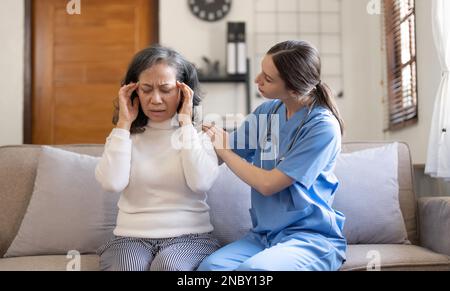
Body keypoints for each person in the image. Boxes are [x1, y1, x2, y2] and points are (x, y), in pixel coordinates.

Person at [199, 40, 347, 271]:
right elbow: (222, 150)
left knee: (254, 272)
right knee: (210, 269)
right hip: (263, 236)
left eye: (268, 79)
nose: (257, 80)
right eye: (261, 72)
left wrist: (224, 151)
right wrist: (189, 129)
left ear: (295, 89)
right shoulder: (267, 112)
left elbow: (268, 184)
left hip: (308, 239)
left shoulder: (323, 127)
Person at [95, 45, 220, 271]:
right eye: (146, 89)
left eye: (165, 89)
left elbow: (201, 183)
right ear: (134, 91)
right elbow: (112, 183)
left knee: (169, 266)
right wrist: (124, 123)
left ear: (183, 92)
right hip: (130, 238)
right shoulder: (123, 137)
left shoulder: (199, 136)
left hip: (190, 238)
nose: (155, 99)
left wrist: (185, 122)